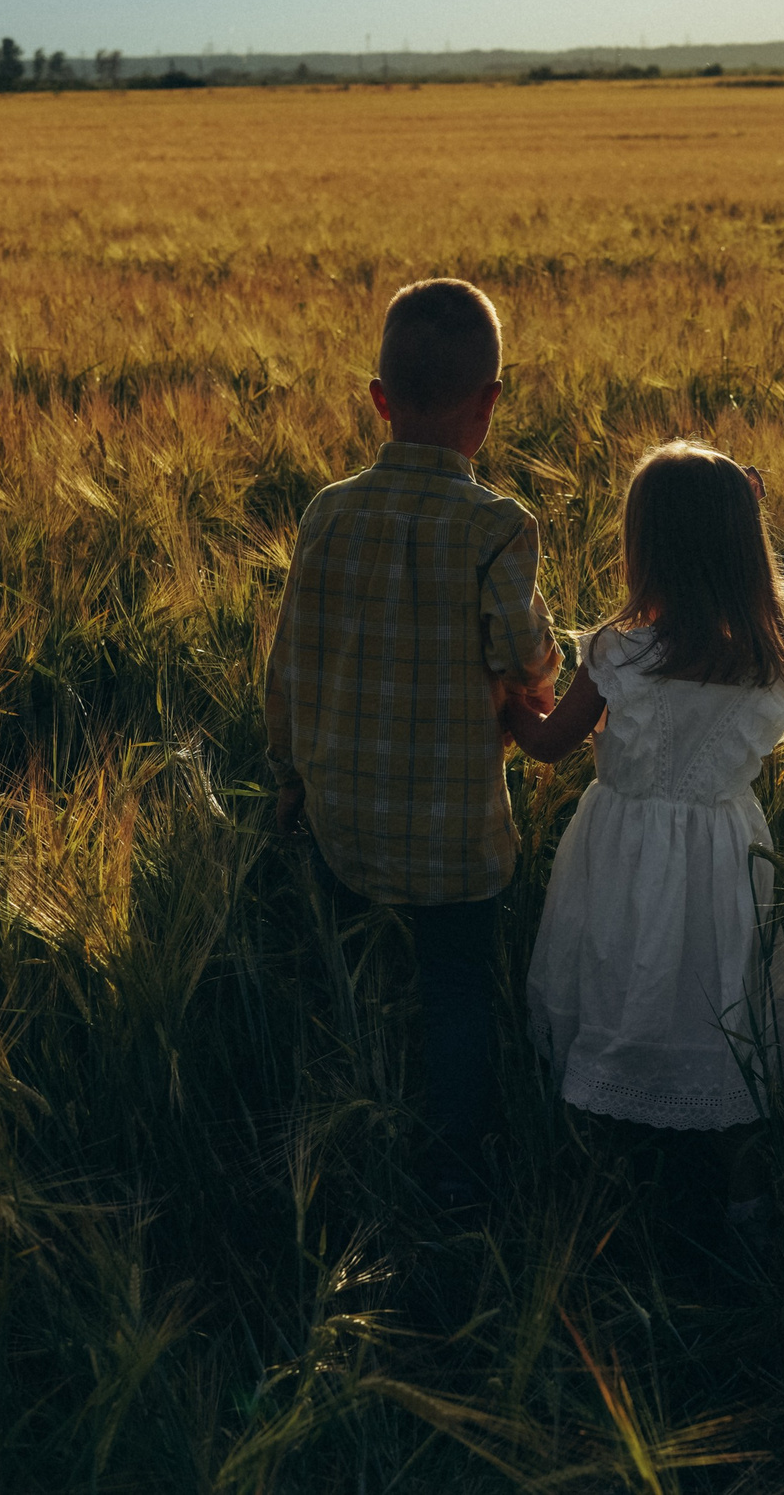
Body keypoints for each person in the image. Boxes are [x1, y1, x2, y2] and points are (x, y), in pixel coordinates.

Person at [264, 277, 561, 1209]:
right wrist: (544, 683)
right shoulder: (498, 526)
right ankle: (455, 1166)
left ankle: (329, 1115)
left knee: (342, 969)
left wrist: (289, 775)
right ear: (490, 404)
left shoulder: (326, 512)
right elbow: (525, 661)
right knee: (457, 990)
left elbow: (288, 663)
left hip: (341, 823)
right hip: (454, 841)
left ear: (379, 400)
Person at [502, 441, 784, 1246]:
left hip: (620, 852)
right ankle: (746, 1201)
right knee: (721, 1003)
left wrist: (508, 701)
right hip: (724, 858)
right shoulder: (768, 661)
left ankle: (595, 1185)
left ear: (644, 547)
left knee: (613, 982)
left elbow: (549, 745)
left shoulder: (617, 652)